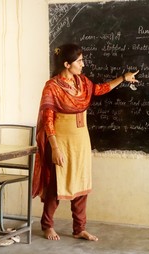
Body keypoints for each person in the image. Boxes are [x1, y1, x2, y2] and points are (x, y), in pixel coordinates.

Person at [32, 43, 139, 241]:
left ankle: (79, 228)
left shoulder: (82, 82)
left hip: (81, 141)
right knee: (57, 185)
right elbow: (47, 120)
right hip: (60, 142)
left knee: (82, 184)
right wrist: (54, 148)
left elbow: (100, 89)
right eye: (79, 61)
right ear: (66, 64)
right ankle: (47, 225)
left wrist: (124, 78)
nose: (83, 64)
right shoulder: (52, 87)